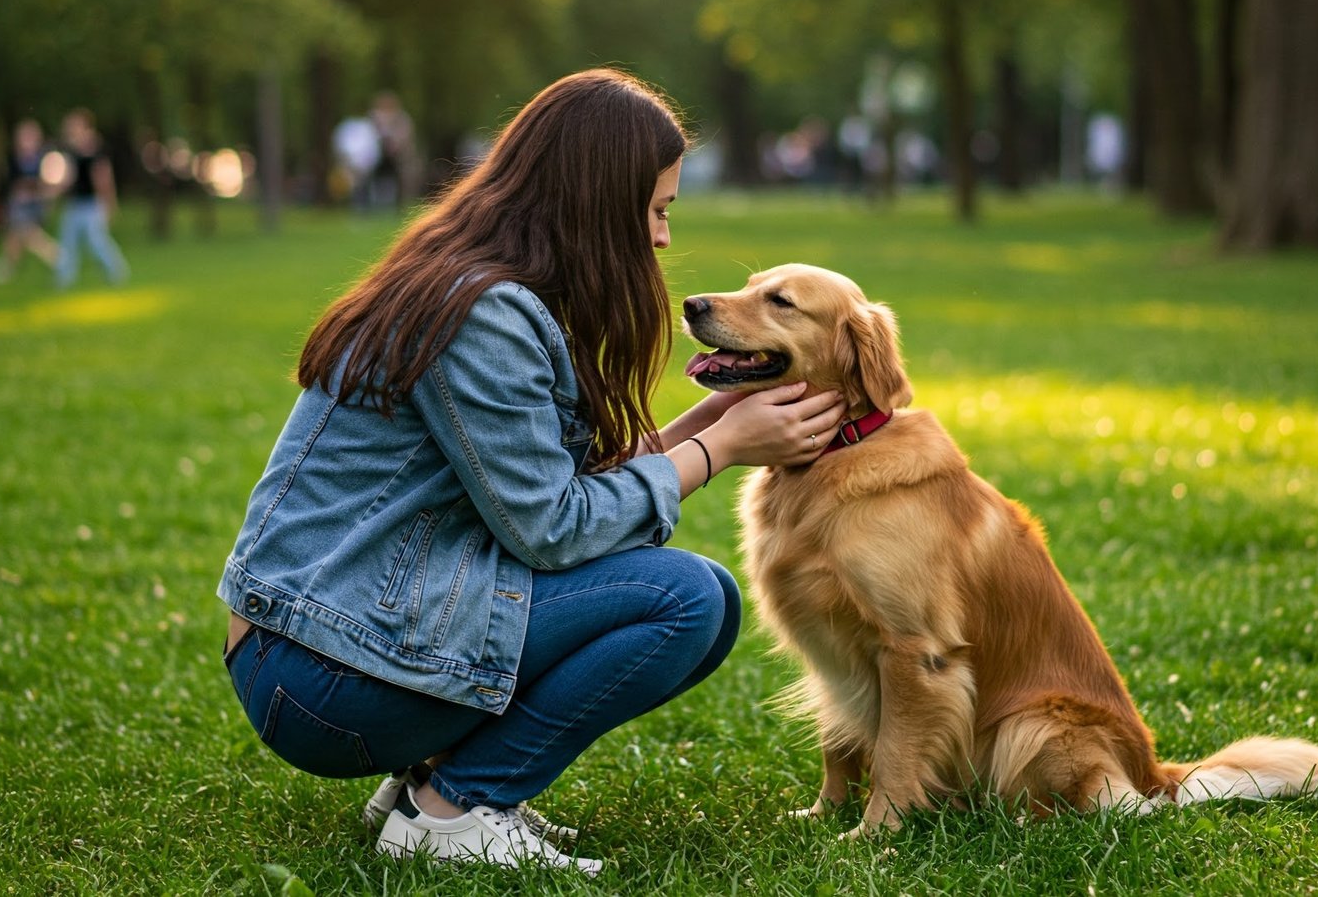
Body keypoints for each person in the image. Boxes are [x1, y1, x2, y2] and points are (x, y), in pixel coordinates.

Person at [217, 68, 847, 876]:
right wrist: (716, 453)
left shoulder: (491, 286)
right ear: (596, 200)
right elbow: (550, 529)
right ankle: (452, 814)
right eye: (655, 210)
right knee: (687, 599)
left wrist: (705, 426)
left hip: (331, 643)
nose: (661, 239)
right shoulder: (483, 310)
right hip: (313, 676)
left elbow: (538, 490)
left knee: (697, 596)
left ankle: (426, 786)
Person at [54, 109, 129, 288]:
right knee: (67, 241)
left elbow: (104, 179)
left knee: (97, 241)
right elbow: (68, 179)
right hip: (74, 204)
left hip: (91, 204)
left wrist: (109, 203)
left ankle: (117, 271)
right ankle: (64, 278)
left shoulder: (96, 150)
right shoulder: (71, 151)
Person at [0, 118, 59, 284]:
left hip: (34, 204)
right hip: (18, 204)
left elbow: (49, 183)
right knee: (13, 236)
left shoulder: (44, 157)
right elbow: (12, 183)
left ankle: (56, 256)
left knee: (28, 235)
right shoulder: (14, 158)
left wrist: (39, 193)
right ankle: (8, 267)